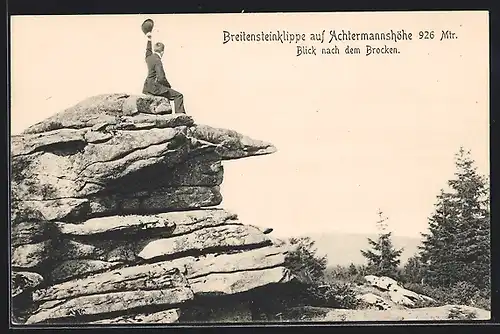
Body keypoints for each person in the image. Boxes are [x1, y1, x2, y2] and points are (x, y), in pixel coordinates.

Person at [142, 32, 187, 114]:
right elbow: (161, 77)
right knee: (179, 96)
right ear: (162, 52)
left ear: (155, 50)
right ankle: (180, 115)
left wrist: (149, 40)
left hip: (147, 87)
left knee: (166, 96)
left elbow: (148, 50)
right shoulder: (158, 61)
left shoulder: (149, 58)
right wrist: (168, 86)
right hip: (155, 88)